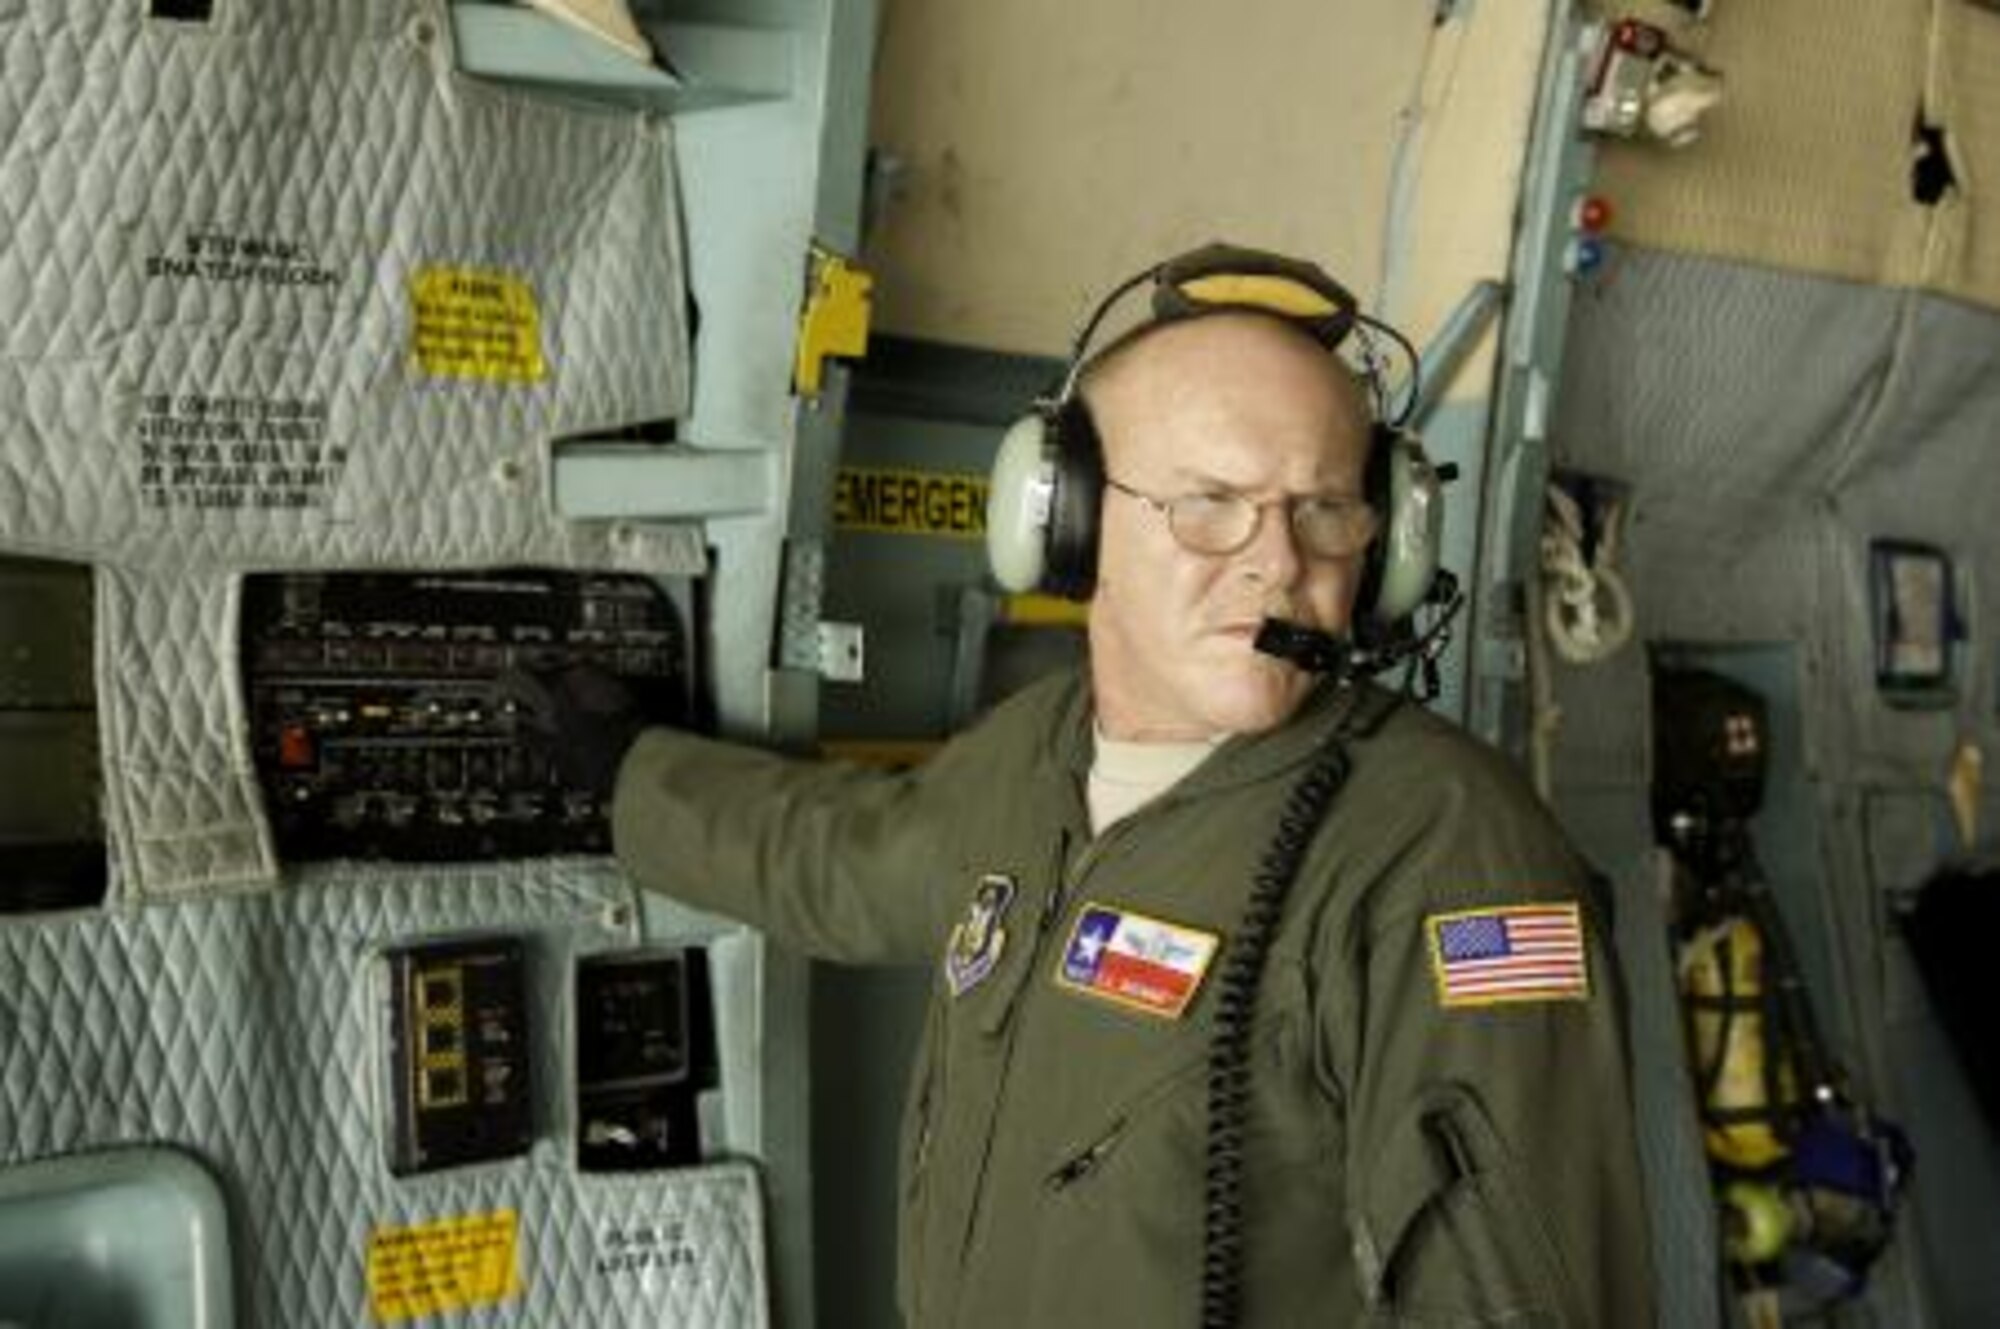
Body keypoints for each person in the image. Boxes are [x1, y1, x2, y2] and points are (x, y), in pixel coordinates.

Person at [521, 244, 1656, 1327]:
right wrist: (630, 773)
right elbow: (852, 858)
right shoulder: (1036, 752)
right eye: (1208, 503)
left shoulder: (1445, 851)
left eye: (1322, 508)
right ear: (1061, 526)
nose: (1277, 562)